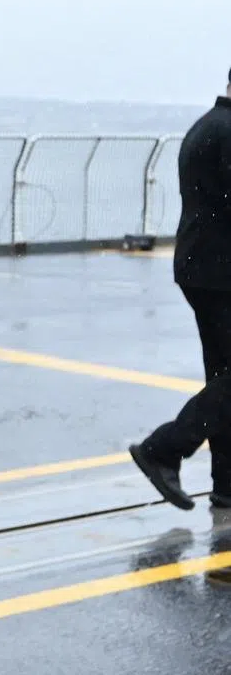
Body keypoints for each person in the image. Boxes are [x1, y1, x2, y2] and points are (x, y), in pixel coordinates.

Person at [129, 69, 231, 511]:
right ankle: (164, 448)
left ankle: (226, 484)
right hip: (221, 273)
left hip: (202, 269)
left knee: (223, 380)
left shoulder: (207, 125)